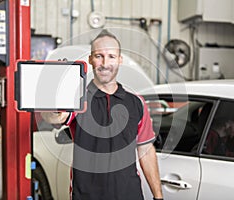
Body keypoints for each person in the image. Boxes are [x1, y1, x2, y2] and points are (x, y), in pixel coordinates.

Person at [41, 29, 163, 200]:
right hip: (87, 195)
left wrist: (158, 196)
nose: (105, 63)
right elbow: (55, 117)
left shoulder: (137, 102)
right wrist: (55, 87)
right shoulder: (77, 98)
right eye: (99, 56)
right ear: (90, 59)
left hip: (129, 194)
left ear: (120, 60)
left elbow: (146, 150)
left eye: (111, 56)